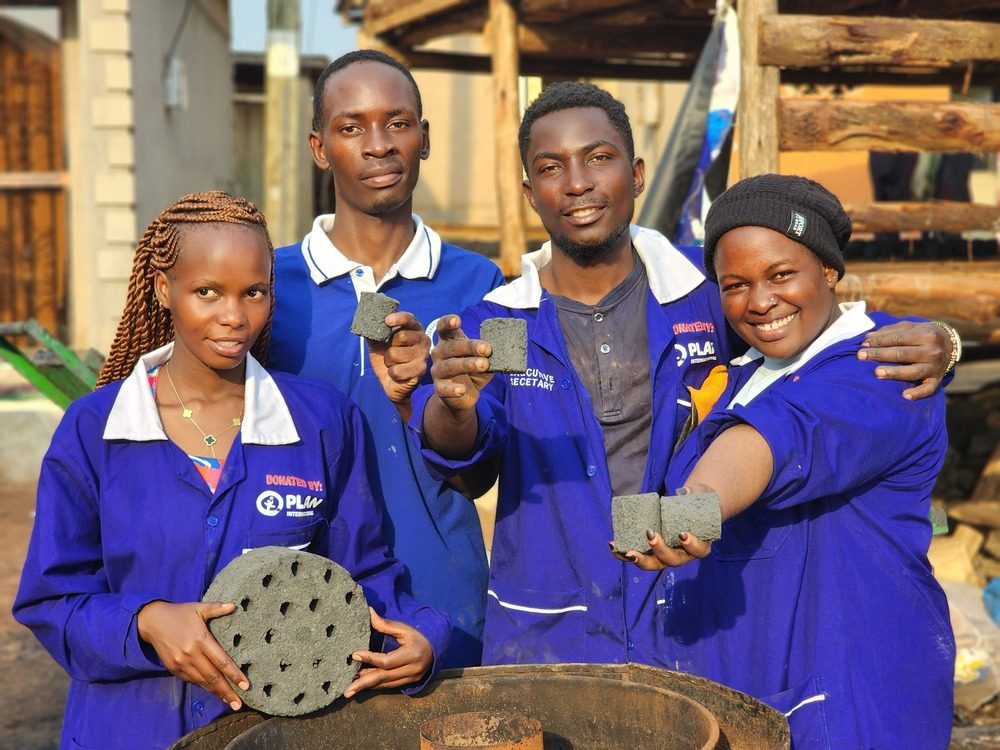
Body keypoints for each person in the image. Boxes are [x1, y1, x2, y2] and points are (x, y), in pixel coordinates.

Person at [406, 81, 957, 668]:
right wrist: (454, 408)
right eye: (550, 167)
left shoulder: (708, 288)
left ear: (637, 174)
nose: (577, 183)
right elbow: (468, 460)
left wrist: (939, 341)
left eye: (599, 158)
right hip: (547, 630)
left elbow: (820, 327)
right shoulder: (501, 318)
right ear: (529, 192)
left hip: (689, 617)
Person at [13, 192, 450, 750]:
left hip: (278, 734)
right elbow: (52, 601)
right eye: (207, 292)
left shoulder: (320, 422)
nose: (234, 317)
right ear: (162, 289)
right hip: (125, 729)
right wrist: (146, 620)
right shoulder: (94, 430)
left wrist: (424, 640)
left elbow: (362, 574)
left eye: (254, 293)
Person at [622, 174, 954, 750]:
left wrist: (693, 510)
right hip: (755, 687)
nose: (759, 301)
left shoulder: (881, 365)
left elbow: (772, 442)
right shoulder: (744, 373)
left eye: (781, 275)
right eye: (735, 284)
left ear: (828, 270)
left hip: (855, 700)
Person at [267, 50, 504, 669]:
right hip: (292, 605)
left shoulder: (490, 285)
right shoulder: (268, 285)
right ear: (319, 148)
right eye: (351, 127)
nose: (378, 145)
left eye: (398, 123)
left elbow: (484, 470)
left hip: (441, 605)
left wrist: (438, 395)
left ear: (424, 139)